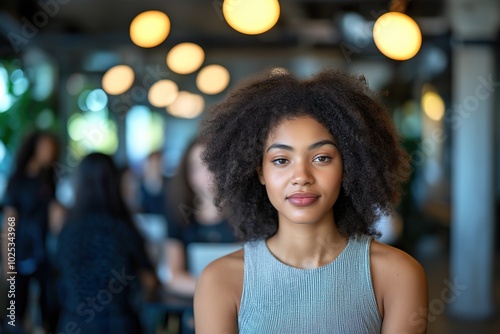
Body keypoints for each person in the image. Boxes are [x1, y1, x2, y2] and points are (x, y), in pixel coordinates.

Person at [194, 68, 428, 334]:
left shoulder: (399, 276)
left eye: (321, 158)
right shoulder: (220, 281)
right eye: (281, 160)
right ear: (260, 171)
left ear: (348, 166)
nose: (301, 177)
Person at [56, 153, 159, 334]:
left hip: (73, 324)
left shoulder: (67, 230)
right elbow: (149, 281)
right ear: (115, 182)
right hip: (119, 325)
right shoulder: (123, 229)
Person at [1, 130, 61, 334]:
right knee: (14, 309)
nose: (50, 153)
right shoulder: (17, 181)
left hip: (45, 253)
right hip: (21, 251)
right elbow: (9, 222)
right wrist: (8, 260)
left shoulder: (50, 179)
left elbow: (55, 220)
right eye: (46, 147)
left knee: (49, 304)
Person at [164, 139, 235, 297]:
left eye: (212, 164)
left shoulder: (248, 214)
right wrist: (218, 290)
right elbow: (173, 277)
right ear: (187, 174)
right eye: (196, 167)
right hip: (194, 305)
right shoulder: (179, 216)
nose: (206, 174)